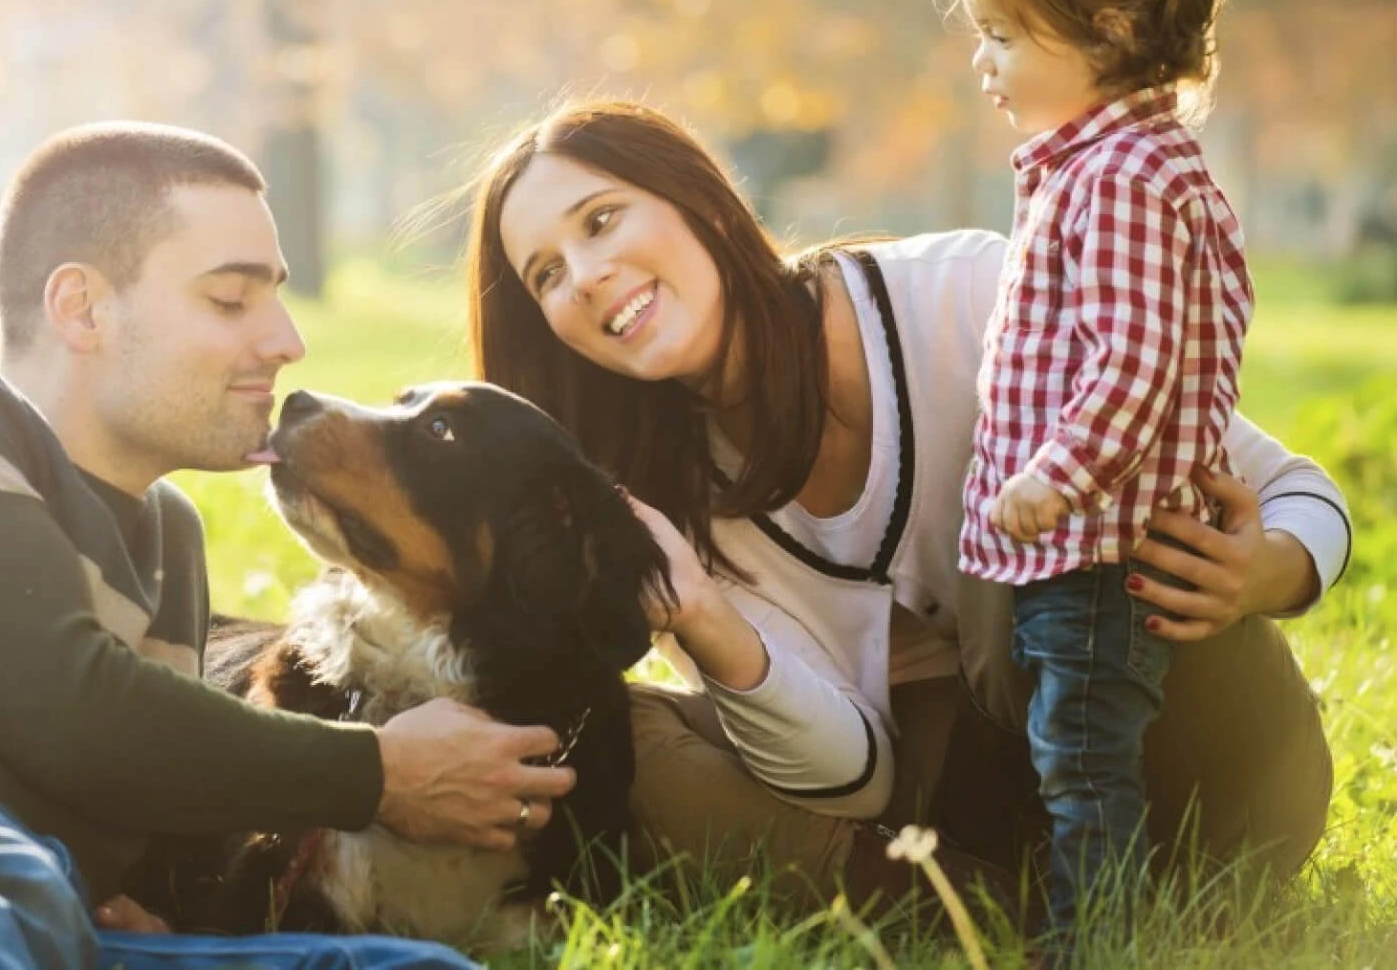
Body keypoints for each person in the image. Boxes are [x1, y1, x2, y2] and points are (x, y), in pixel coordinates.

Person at [465, 99, 1350, 921]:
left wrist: (1264, 571)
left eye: (601, 219)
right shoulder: (653, 507)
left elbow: (1296, 490)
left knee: (1051, 506)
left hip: (1207, 761)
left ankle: (999, 895)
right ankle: (972, 907)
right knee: (608, 730)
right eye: (546, 273)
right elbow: (858, 779)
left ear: (692, 195)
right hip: (979, 809)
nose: (584, 275)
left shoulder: (966, 297)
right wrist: (700, 612)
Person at [0, 123, 575, 969]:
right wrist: (381, 773)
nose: (287, 342)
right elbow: (68, 710)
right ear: (82, 307)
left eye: (277, 297)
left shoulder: (168, 539)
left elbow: (139, 779)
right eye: (230, 300)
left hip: (37, 902)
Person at [939, 0, 1254, 951]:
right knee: (1067, 743)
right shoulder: (1102, 165)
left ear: (1111, 33)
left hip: (1096, 544)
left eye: (1007, 35)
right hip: (1079, 545)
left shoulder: (1118, 177)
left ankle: (1099, 940)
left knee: (1083, 756)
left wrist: (1054, 476)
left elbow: (1137, 363)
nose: (984, 59)